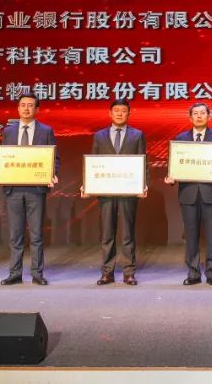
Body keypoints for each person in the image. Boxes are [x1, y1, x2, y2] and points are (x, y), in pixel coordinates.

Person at [0, 94, 59, 286]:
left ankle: (37, 273)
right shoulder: (9, 131)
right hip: (13, 189)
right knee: (16, 234)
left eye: (30, 105)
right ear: (18, 108)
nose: (26, 108)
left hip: (36, 189)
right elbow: (3, 157)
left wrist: (52, 174)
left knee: (36, 234)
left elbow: (54, 158)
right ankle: (15, 273)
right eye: (23, 105)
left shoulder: (46, 131)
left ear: (37, 109)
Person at [83, 98, 148, 286]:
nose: (120, 113)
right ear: (110, 113)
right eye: (116, 110)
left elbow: (143, 161)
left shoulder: (137, 135)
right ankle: (107, 273)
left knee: (128, 233)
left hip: (129, 190)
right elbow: (94, 162)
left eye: (123, 110)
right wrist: (88, 184)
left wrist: (144, 184)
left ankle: (129, 273)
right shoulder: (99, 136)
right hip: (106, 191)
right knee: (107, 233)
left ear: (129, 113)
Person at [165, 103, 212, 286]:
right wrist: (171, 177)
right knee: (191, 235)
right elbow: (175, 165)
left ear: (209, 116)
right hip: (188, 193)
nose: (199, 116)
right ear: (190, 117)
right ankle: (193, 273)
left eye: (202, 113)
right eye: (195, 113)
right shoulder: (180, 139)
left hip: (211, 193)